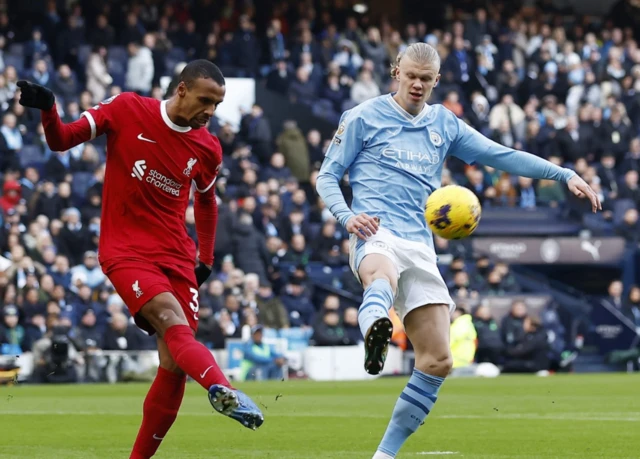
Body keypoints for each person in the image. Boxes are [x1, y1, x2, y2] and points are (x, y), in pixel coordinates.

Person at [315, 42, 600, 459]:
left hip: (420, 243)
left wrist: (563, 174)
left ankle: (383, 456)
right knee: (380, 274)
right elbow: (327, 177)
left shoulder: (444, 124)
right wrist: (346, 216)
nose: (417, 84)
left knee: (438, 360)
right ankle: (374, 327)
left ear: (437, 81)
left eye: (425, 79)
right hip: (374, 229)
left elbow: (500, 155)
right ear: (396, 71)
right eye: (410, 75)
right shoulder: (362, 117)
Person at [17, 59, 263, 459]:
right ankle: (224, 389)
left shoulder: (208, 147)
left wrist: (206, 257)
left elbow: (206, 202)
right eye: (205, 100)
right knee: (170, 319)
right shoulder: (127, 108)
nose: (210, 112)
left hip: (178, 256)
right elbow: (61, 140)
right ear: (181, 90)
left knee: (174, 362)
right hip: (126, 250)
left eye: (217, 104)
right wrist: (49, 108)